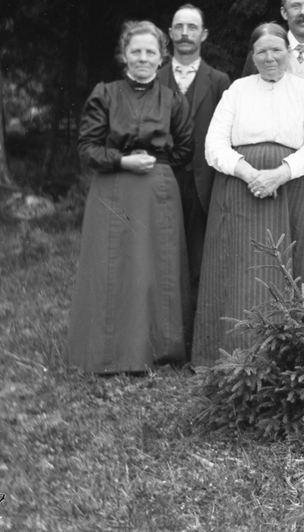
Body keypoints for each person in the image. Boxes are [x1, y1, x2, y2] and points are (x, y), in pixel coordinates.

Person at [193, 23, 304, 366]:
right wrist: (249, 173)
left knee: (291, 267)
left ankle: (290, 360)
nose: (270, 58)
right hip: (240, 188)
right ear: (252, 57)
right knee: (239, 267)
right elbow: (214, 145)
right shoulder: (237, 90)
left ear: (289, 53)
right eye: (262, 51)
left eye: (277, 50)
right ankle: (230, 356)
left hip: (292, 188)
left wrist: (280, 174)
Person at [68, 21, 194, 373]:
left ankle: (156, 351)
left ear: (161, 57)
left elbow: (185, 147)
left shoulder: (172, 99)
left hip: (157, 193)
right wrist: (122, 161)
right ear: (123, 55)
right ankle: (108, 353)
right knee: (112, 267)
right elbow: (87, 148)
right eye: (135, 51)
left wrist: (156, 165)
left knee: (153, 269)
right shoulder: (105, 94)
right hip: (113, 189)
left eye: (150, 52)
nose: (142, 58)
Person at [156, 4, 231, 353]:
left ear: (204, 35)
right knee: (164, 256)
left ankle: (197, 341)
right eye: (179, 27)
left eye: (192, 27)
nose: (185, 33)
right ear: (170, 34)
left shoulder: (219, 81)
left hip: (203, 182)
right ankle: (162, 336)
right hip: (162, 179)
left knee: (200, 259)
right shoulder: (154, 78)